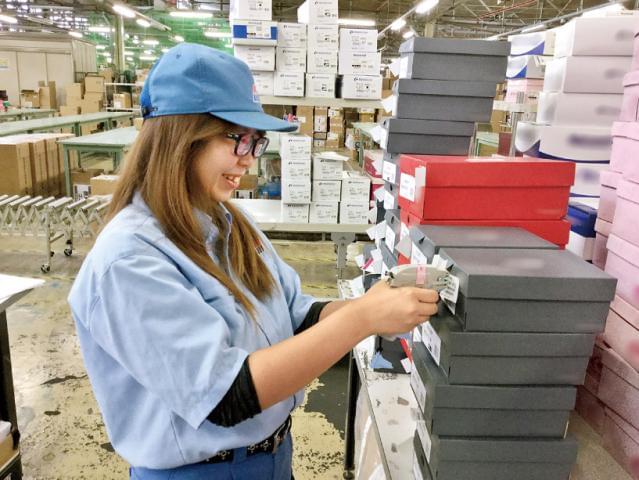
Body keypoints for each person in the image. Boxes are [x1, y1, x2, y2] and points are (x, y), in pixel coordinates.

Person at [68, 43, 439, 480]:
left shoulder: (228, 222)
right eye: (238, 139)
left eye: (256, 142)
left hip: (271, 457)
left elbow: (297, 316)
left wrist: (375, 308)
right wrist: (361, 319)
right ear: (181, 138)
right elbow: (226, 396)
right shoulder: (128, 260)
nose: (249, 158)